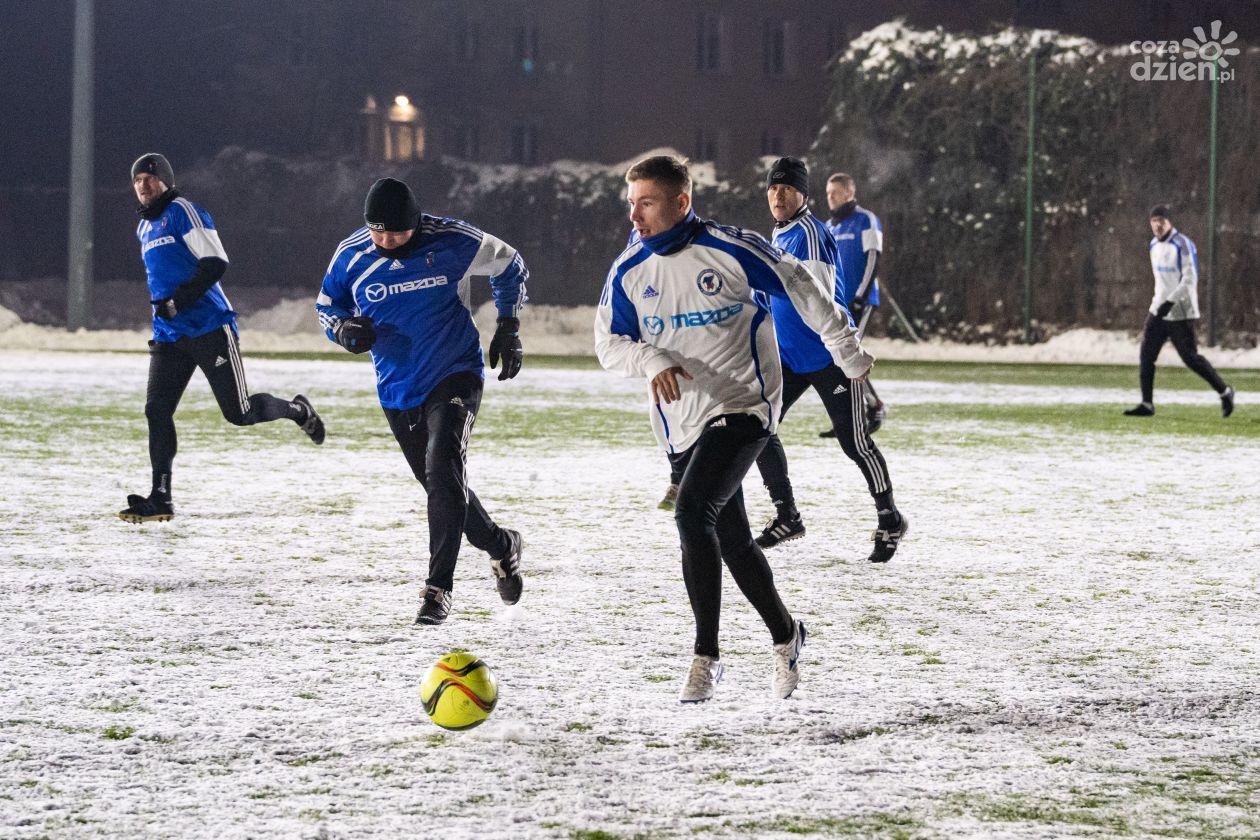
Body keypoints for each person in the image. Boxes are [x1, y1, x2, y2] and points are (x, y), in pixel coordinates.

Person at [595, 154, 873, 703]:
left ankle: (705, 657)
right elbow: (608, 344)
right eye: (631, 204)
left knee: (691, 512)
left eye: (646, 203)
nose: (635, 216)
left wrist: (845, 346)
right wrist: (651, 361)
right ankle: (786, 633)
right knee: (733, 541)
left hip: (746, 403)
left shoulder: (730, 248)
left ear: (681, 201)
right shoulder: (629, 270)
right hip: (684, 421)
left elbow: (802, 284)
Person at [315, 178, 528, 625]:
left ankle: (438, 590)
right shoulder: (350, 255)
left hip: (456, 372)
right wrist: (342, 330)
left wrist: (508, 326)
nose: (387, 240)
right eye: (378, 231)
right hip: (397, 388)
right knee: (443, 486)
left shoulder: (453, 241)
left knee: (441, 463)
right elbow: (326, 305)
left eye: (397, 232)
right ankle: (501, 544)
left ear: (417, 222)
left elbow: (510, 264)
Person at [119, 153, 324, 524]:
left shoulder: (184, 211)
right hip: (170, 335)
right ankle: (161, 497)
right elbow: (162, 280)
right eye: (137, 180)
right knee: (157, 410)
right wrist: (164, 318)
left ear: (165, 179)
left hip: (210, 327)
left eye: (149, 177)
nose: (142, 185)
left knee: (239, 413)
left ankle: (298, 410)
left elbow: (215, 261)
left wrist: (178, 302)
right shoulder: (144, 228)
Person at [750, 158, 908, 564]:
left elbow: (819, 301)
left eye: (787, 188)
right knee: (758, 425)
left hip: (828, 356)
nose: (778, 194)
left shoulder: (810, 234)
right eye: (773, 188)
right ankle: (787, 516)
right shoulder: (780, 233)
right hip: (790, 357)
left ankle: (890, 518)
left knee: (854, 441)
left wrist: (848, 354)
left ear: (804, 195)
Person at [1124, 205, 1235, 418]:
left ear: (1169, 222)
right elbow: (1162, 282)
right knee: (1146, 355)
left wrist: (1171, 301)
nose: (1157, 225)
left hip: (1180, 311)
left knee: (1190, 358)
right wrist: (1159, 304)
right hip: (1158, 309)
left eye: (1161, 220)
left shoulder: (1183, 244)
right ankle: (1147, 404)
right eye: (1154, 220)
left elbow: (1190, 279)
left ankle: (1225, 391)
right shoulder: (1153, 245)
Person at [821, 172, 888, 436]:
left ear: (850, 192)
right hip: (837, 305)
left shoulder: (866, 220)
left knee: (845, 355)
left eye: (835, 192)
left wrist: (860, 296)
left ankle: (867, 411)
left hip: (859, 301)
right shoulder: (830, 227)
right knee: (840, 356)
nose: (831, 198)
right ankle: (862, 411)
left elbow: (873, 258)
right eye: (828, 193)